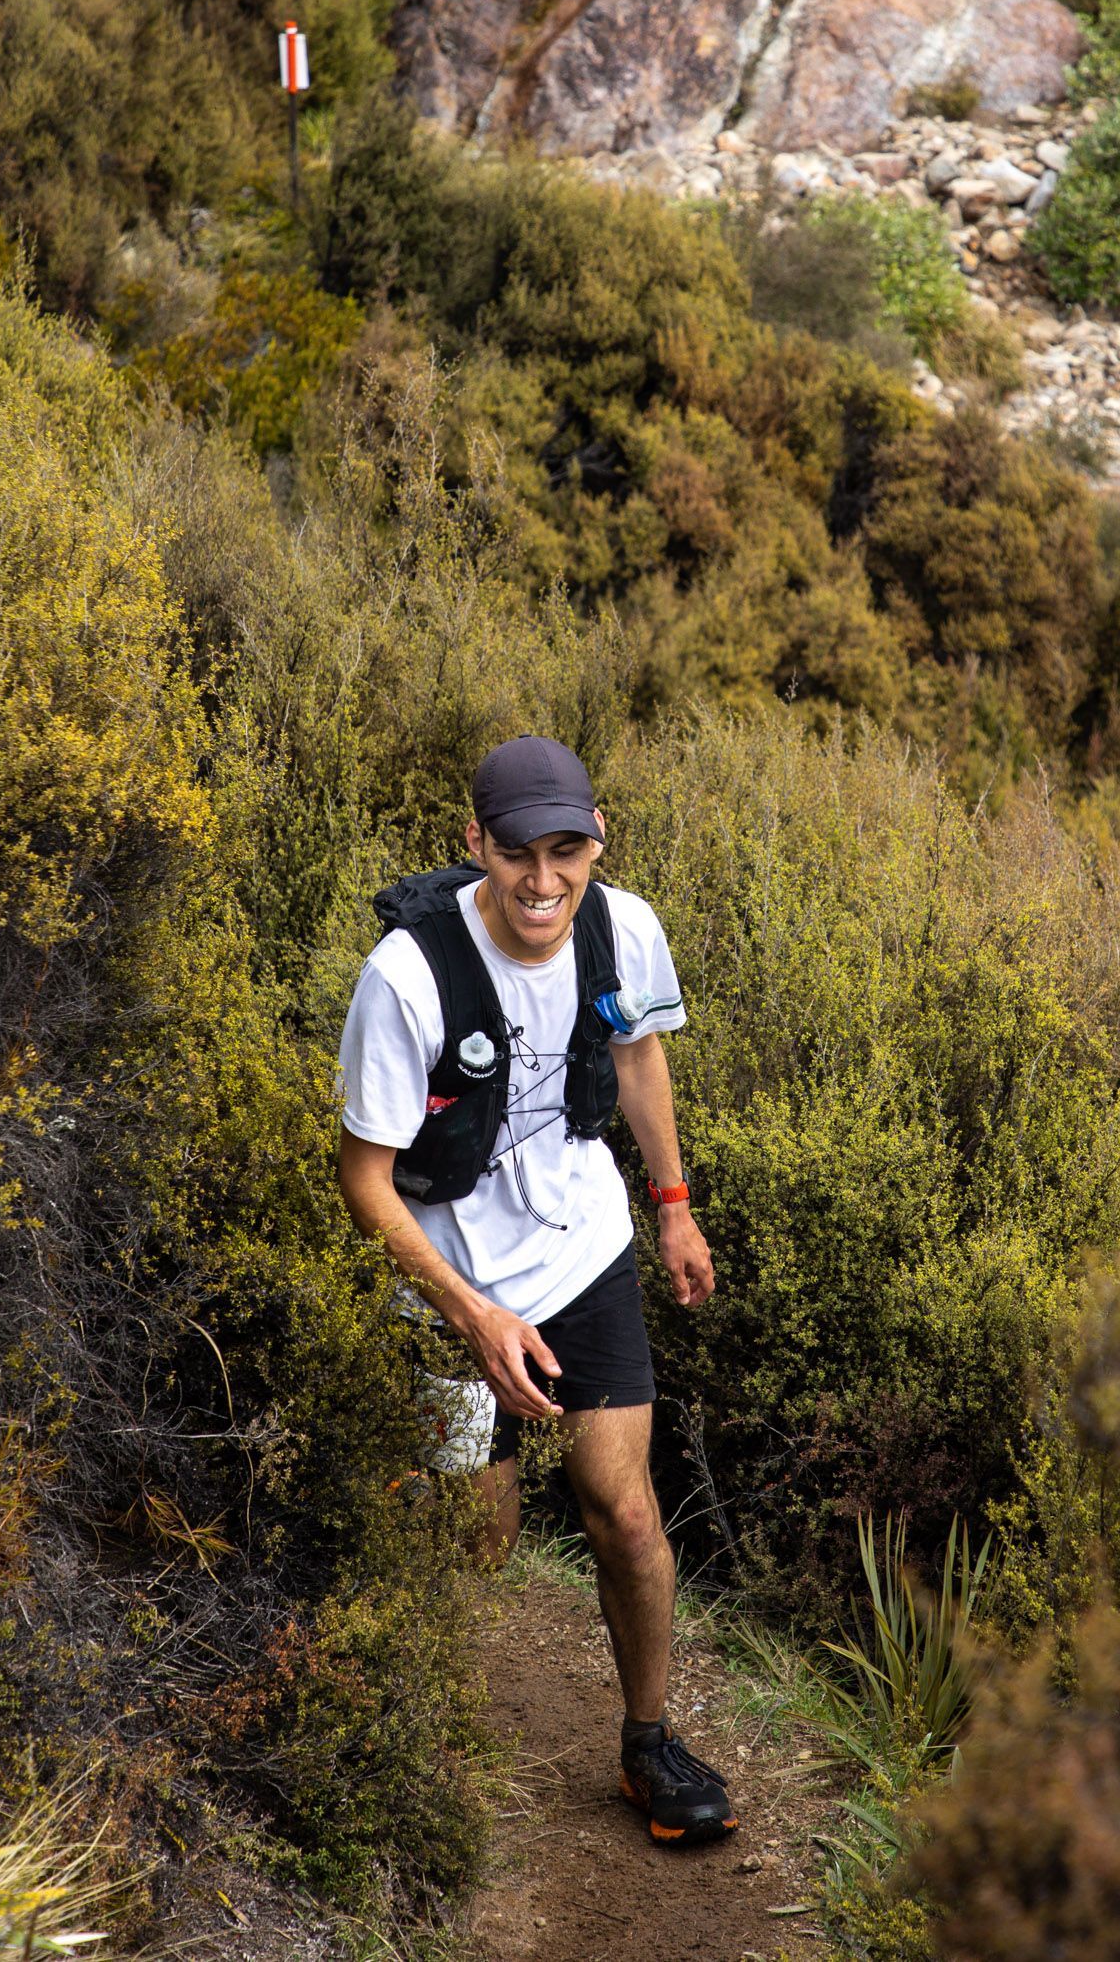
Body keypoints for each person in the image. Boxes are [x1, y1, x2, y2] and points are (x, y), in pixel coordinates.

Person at [336, 734, 737, 1847]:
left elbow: (639, 1055)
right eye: (519, 853)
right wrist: (469, 1316)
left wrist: (670, 1204)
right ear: (476, 844)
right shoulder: (407, 978)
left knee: (622, 1508)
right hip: (447, 1281)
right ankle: (419, 1728)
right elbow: (363, 1178)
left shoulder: (621, 928)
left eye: (569, 852)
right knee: (479, 1534)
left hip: (581, 1248)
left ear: (595, 845)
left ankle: (650, 1743)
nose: (543, 882)